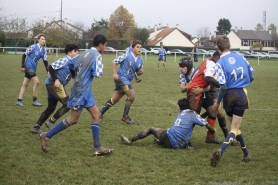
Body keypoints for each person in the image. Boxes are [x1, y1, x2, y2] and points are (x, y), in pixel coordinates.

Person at [39, 34, 113, 156]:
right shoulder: (97, 56)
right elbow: (99, 73)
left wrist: (76, 75)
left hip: (85, 89)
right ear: (100, 44)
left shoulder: (83, 54)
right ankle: (46, 136)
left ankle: (97, 147)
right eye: (104, 45)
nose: (105, 48)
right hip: (81, 90)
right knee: (73, 119)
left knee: (97, 115)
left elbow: (70, 64)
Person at [210, 36, 254, 167]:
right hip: (240, 93)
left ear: (218, 48)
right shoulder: (241, 57)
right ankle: (221, 151)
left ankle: (246, 154)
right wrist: (243, 85)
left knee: (234, 128)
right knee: (234, 128)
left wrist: (217, 102)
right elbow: (251, 75)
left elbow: (222, 85)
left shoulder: (219, 63)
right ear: (229, 45)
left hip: (228, 95)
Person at [120, 98, 215, 149]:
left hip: (169, 139)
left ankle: (130, 140)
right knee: (169, 132)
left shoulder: (181, 113)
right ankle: (161, 141)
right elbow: (204, 123)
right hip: (180, 145)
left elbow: (196, 118)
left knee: (151, 129)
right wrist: (213, 131)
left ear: (180, 107)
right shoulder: (193, 115)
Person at [29, 44, 79, 134]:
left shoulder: (71, 62)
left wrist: (76, 78)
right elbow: (51, 67)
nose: (77, 53)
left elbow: (72, 72)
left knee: (51, 107)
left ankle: (36, 127)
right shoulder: (65, 59)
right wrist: (56, 80)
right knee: (68, 104)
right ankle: (51, 122)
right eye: (75, 51)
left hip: (55, 85)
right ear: (69, 53)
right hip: (53, 84)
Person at [100, 40, 144, 124]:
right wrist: (114, 73)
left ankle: (100, 114)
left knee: (114, 99)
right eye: (137, 47)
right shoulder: (126, 55)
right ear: (132, 48)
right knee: (132, 96)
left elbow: (139, 71)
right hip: (121, 78)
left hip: (127, 80)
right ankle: (125, 116)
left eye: (140, 47)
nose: (139, 49)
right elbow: (114, 62)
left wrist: (140, 71)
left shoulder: (140, 60)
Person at [185, 54, 223, 144]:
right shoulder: (211, 63)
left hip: (202, 90)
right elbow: (207, 78)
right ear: (217, 58)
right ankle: (185, 139)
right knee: (193, 116)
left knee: (213, 111)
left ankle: (210, 137)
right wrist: (221, 85)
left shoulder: (207, 62)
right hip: (195, 91)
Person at [16, 34, 48, 106]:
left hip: (33, 68)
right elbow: (24, 55)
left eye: (44, 39)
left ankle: (19, 100)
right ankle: (34, 100)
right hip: (28, 66)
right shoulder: (33, 46)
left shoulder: (44, 50)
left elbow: (45, 61)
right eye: (42, 39)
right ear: (38, 40)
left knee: (25, 84)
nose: (43, 40)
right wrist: (22, 66)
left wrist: (48, 71)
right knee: (37, 82)